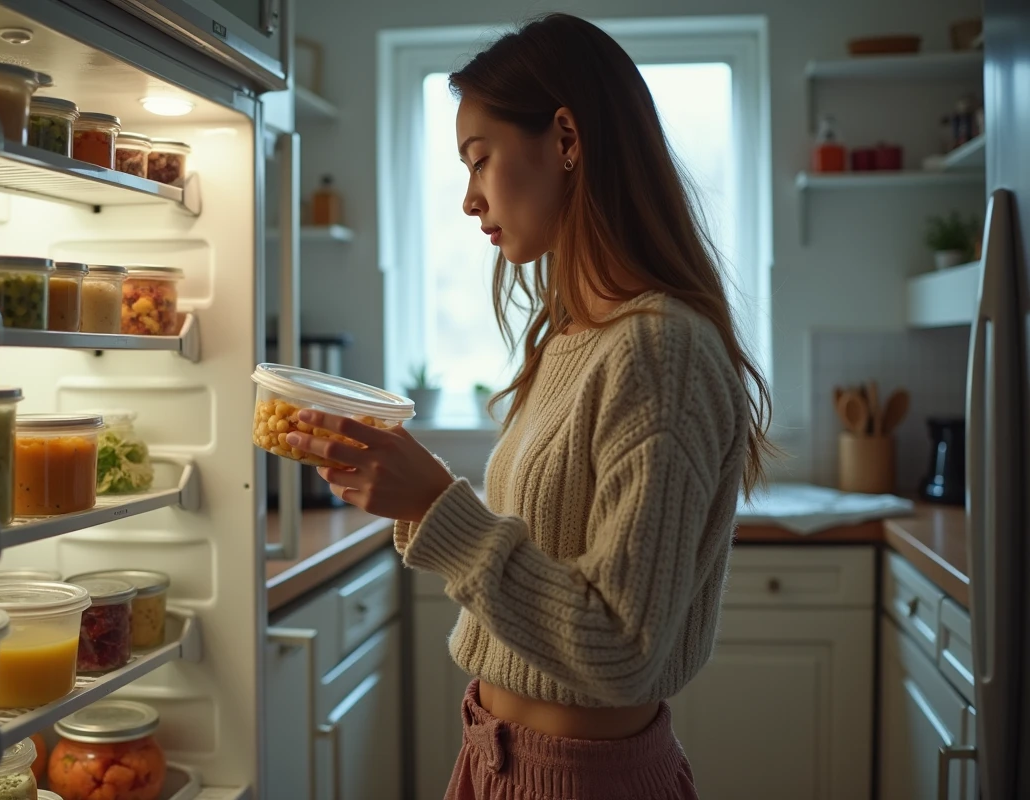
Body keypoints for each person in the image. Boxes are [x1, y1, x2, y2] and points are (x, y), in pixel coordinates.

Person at [282, 11, 774, 800]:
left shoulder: (659, 349)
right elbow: (545, 558)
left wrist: (439, 505)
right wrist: (408, 493)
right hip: (493, 757)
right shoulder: (573, 340)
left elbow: (623, 645)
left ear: (567, 139)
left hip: (580, 781)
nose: (470, 200)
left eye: (480, 160)